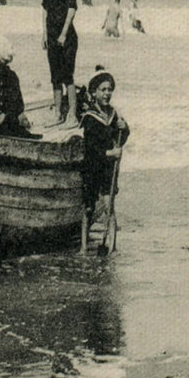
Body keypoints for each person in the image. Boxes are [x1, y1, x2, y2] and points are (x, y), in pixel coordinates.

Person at [79, 68, 130, 253]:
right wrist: (110, 153)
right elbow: (92, 150)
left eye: (110, 89)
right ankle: (83, 248)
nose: (107, 93)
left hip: (108, 169)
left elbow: (121, 137)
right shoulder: (90, 119)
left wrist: (124, 129)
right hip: (93, 167)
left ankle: (112, 246)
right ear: (94, 93)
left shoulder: (113, 114)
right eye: (103, 90)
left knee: (109, 206)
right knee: (88, 208)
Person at [41, 0, 78, 124]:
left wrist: (63, 34)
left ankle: (72, 115)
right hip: (52, 35)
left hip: (67, 37)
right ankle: (57, 114)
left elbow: (72, 9)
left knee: (67, 76)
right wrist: (44, 34)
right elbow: (45, 10)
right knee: (55, 76)